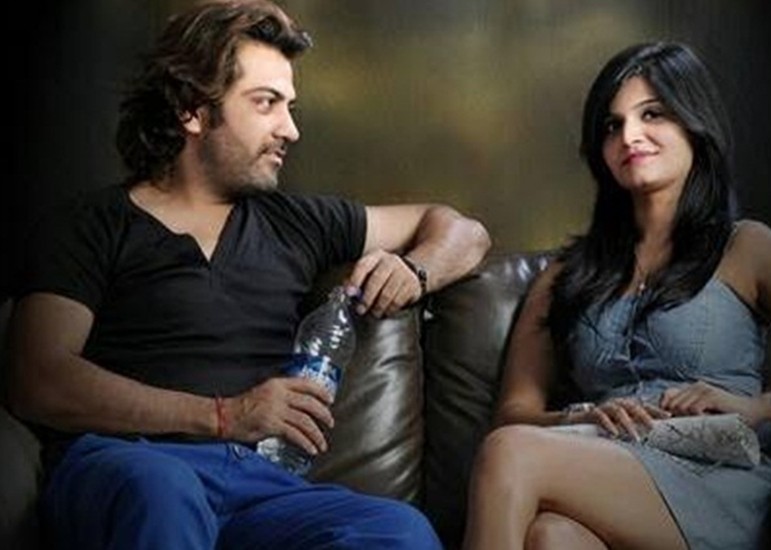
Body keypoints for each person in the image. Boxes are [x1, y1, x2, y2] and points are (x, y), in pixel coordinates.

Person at [7, 1, 490, 548]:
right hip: (129, 464)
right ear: (192, 111)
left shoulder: (298, 223)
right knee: (163, 491)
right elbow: (37, 379)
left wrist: (417, 271)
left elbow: (463, 231)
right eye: (266, 103)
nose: (291, 129)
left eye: (290, 106)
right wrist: (225, 415)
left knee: (400, 530)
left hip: (258, 488)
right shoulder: (91, 224)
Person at [462, 41, 771, 550]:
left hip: (711, 478)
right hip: (606, 463)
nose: (629, 136)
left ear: (694, 124)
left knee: (508, 453)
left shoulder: (747, 248)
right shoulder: (565, 276)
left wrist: (761, 407)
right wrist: (581, 415)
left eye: (652, 114)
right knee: (551, 537)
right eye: (612, 124)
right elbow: (515, 411)